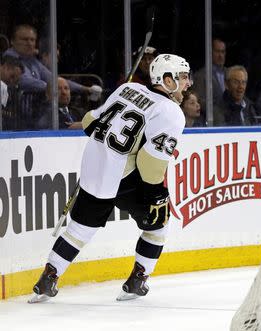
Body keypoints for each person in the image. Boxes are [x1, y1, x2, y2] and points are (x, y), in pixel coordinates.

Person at [29, 53, 191, 303]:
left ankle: (48, 277)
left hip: (94, 168)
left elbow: (88, 122)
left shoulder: (128, 88)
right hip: (125, 177)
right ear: (167, 80)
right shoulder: (171, 112)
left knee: (79, 229)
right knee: (159, 224)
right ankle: (138, 279)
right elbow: (150, 163)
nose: (188, 83)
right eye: (183, 77)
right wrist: (157, 195)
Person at [3, 24, 100, 95]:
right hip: (12, 117)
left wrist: (85, 89)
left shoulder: (33, 61)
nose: (29, 43)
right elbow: (24, 81)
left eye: (32, 40)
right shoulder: (9, 58)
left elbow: (53, 78)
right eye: (24, 39)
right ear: (12, 41)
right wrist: (55, 87)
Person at [193, 38, 227, 108]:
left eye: (223, 52)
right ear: (210, 52)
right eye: (217, 51)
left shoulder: (230, 73)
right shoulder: (200, 75)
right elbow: (199, 101)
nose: (220, 55)